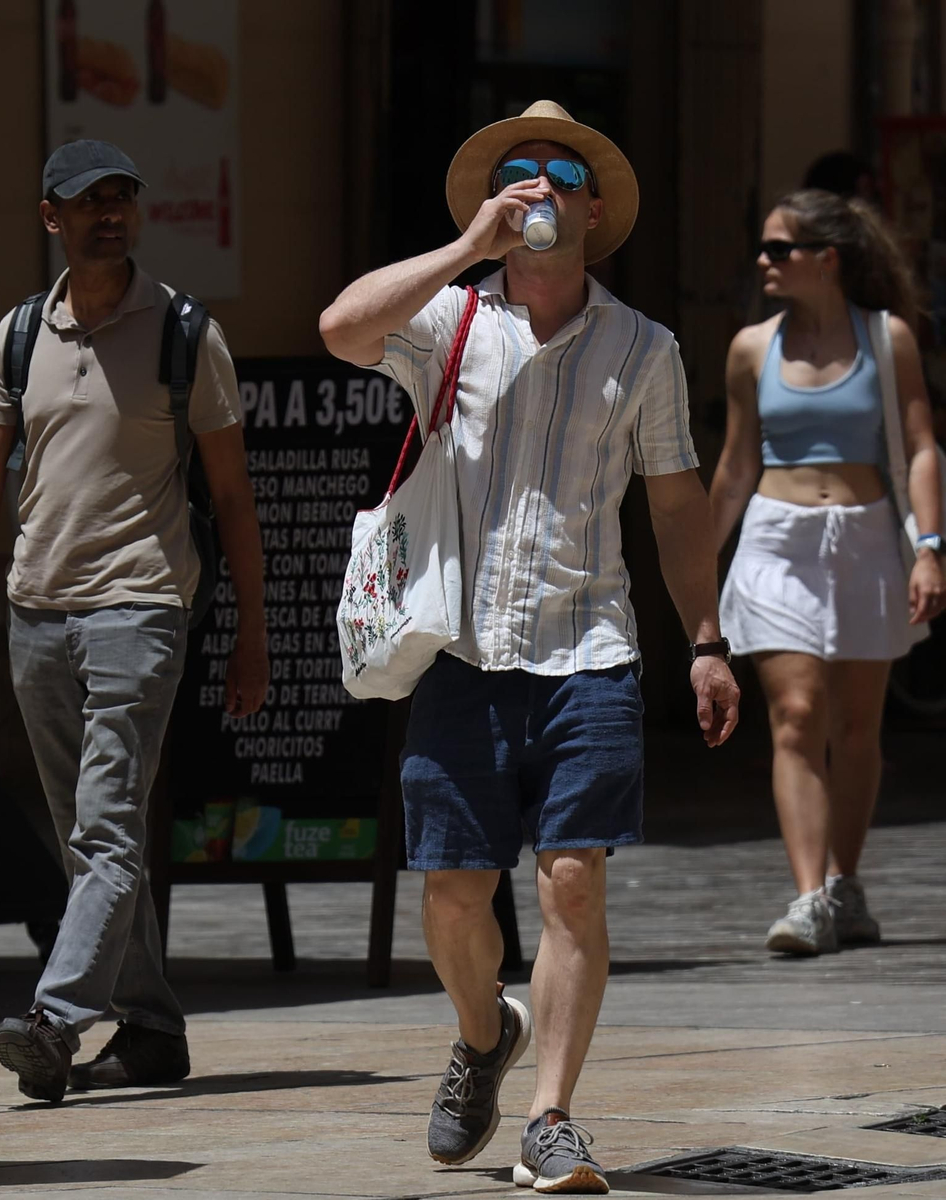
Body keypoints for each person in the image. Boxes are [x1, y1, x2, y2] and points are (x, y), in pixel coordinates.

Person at [320, 101, 740, 1194]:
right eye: (519, 170)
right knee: (454, 894)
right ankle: (480, 1035)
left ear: (595, 206)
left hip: (588, 651)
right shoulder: (450, 321)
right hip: (459, 656)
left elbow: (678, 503)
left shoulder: (644, 348)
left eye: (562, 171)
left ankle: (552, 1118)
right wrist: (467, 248)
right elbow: (338, 330)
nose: (540, 185)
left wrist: (704, 638)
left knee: (570, 886)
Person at [0, 140, 268, 1103]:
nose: (107, 214)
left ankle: (56, 1017)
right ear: (52, 218)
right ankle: (152, 1030)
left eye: (121, 198)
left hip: (143, 607)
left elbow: (233, 495)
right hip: (34, 613)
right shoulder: (19, 335)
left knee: (110, 828)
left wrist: (253, 632)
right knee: (88, 838)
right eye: (87, 202)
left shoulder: (185, 334)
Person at [709, 190, 944, 956]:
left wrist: (932, 546)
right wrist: (696, 563)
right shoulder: (751, 347)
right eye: (765, 247)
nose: (764, 261)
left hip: (867, 538)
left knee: (855, 727)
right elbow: (739, 461)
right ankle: (809, 895)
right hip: (777, 540)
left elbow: (917, 447)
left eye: (781, 249)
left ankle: (846, 883)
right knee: (799, 714)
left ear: (827, 259)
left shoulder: (888, 338)